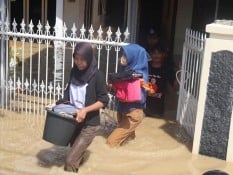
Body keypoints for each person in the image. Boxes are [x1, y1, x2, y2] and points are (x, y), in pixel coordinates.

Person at [56, 42, 109, 172]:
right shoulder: (74, 72)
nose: (79, 62)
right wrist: (58, 104)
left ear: (89, 58)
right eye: (76, 59)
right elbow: (68, 93)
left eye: (82, 59)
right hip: (74, 121)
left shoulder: (97, 76)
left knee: (70, 161)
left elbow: (104, 100)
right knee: (75, 152)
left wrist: (85, 110)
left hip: (90, 124)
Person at [106, 44, 149, 147]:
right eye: (124, 54)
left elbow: (139, 96)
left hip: (132, 114)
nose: (123, 57)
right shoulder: (126, 72)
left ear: (134, 57)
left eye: (126, 55)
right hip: (123, 111)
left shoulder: (139, 76)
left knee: (110, 143)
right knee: (128, 142)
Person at [144, 43, 177, 117]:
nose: (156, 55)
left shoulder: (167, 69)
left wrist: (181, 71)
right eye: (154, 53)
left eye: (159, 53)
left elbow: (175, 86)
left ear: (163, 55)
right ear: (150, 54)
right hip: (143, 103)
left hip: (159, 106)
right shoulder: (146, 66)